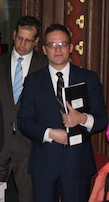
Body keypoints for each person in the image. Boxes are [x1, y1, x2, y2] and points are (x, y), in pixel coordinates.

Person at [18, 24, 108, 202]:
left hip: (78, 163)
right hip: (44, 162)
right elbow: (24, 121)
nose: (57, 49)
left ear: (70, 47)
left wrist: (82, 118)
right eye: (52, 45)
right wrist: (50, 134)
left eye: (63, 44)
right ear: (44, 49)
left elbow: (102, 119)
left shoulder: (88, 78)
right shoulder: (33, 81)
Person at [0, 16, 47, 202]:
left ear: (36, 41)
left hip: (29, 144)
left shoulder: (45, 66)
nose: (22, 44)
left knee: (28, 196)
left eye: (28, 40)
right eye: (20, 38)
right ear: (14, 35)